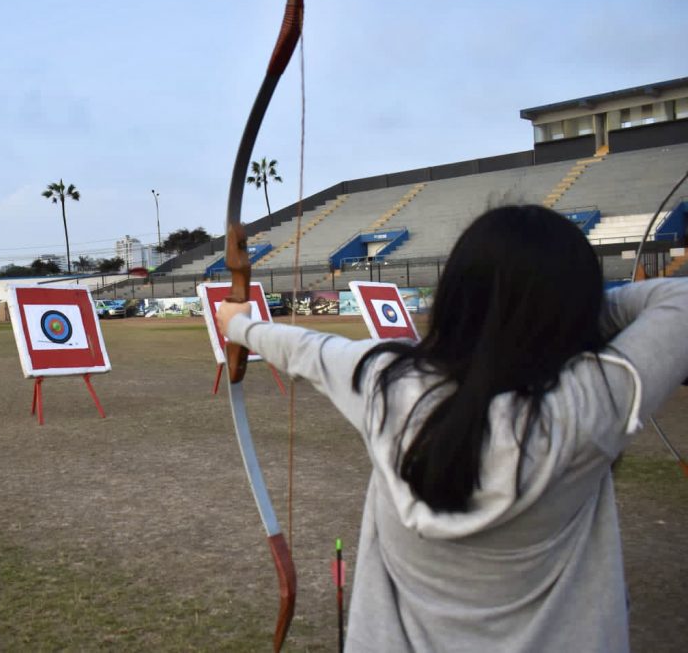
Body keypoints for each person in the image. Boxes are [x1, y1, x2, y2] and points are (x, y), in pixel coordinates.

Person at [216, 204, 688, 652]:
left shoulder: (384, 382)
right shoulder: (593, 402)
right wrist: (566, 314)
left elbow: (305, 348)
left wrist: (240, 326)